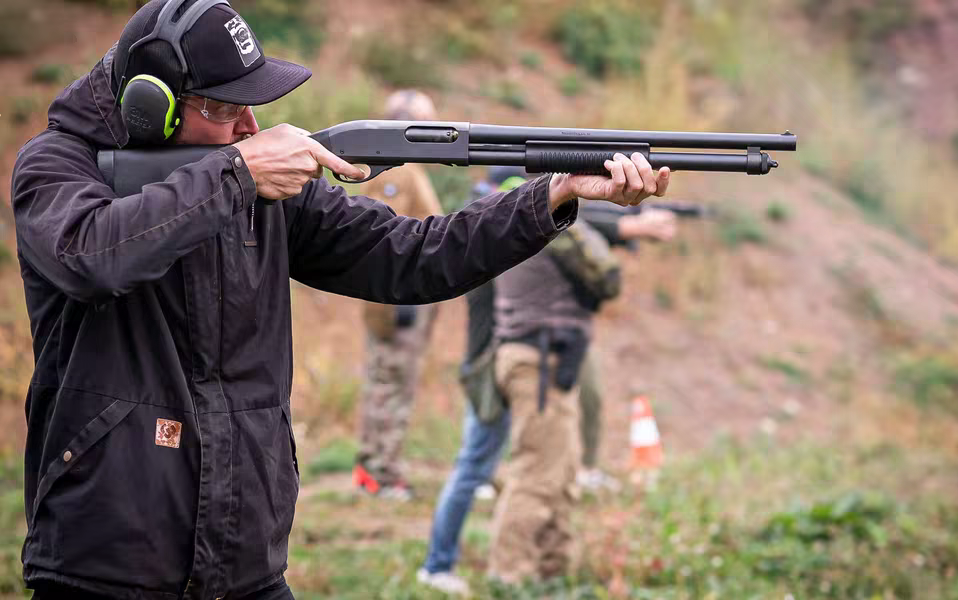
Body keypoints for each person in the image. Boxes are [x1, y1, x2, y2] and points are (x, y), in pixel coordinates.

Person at [10, 0, 669, 597]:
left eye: (252, 105)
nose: (249, 125)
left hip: (244, 560)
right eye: (224, 108)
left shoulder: (261, 187)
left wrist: (550, 194)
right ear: (153, 107)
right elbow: (91, 256)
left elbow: (413, 257)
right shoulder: (57, 168)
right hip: (108, 562)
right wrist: (236, 174)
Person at [417, 171, 677, 594]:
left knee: (559, 469)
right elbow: (606, 277)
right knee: (536, 473)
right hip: (538, 358)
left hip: (539, 357)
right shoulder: (549, 231)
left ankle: (552, 568)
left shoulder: (509, 229)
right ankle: (511, 575)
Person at [353, 90, 443, 501]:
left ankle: (372, 466)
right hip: (397, 299)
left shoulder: (395, 170)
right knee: (393, 384)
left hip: (392, 297)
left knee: (382, 381)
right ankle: (383, 473)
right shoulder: (397, 173)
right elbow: (393, 235)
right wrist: (403, 300)